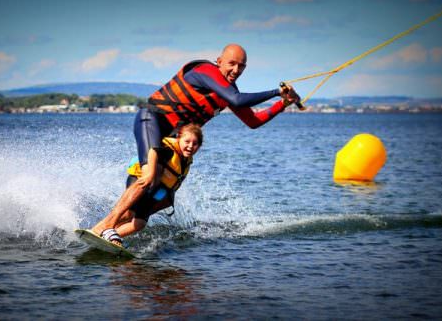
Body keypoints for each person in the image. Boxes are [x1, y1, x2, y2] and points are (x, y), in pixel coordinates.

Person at [94, 43, 301, 243]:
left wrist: (283, 103)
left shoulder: (227, 92)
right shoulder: (205, 71)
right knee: (149, 177)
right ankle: (106, 227)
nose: (236, 70)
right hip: (152, 121)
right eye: (231, 63)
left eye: (242, 66)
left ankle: (103, 233)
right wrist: (277, 92)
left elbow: (253, 121)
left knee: (160, 196)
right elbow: (238, 100)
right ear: (219, 61)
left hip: (171, 143)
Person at [92, 123, 203, 246]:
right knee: (129, 214)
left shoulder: (186, 159)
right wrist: (150, 174)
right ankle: (101, 229)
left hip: (154, 191)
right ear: (178, 139)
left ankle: (108, 238)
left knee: (139, 224)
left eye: (195, 143)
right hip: (142, 182)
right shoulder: (168, 150)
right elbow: (153, 152)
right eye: (187, 141)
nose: (190, 146)